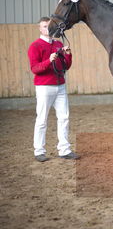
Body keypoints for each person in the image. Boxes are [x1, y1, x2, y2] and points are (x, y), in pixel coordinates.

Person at [28, 16, 79, 162]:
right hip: (44, 87)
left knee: (64, 118)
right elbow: (35, 69)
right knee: (42, 119)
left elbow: (65, 67)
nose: (47, 29)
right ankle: (39, 151)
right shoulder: (35, 46)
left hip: (60, 85)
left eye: (49, 26)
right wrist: (48, 61)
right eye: (44, 26)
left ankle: (64, 150)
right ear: (40, 28)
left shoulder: (57, 44)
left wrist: (68, 55)